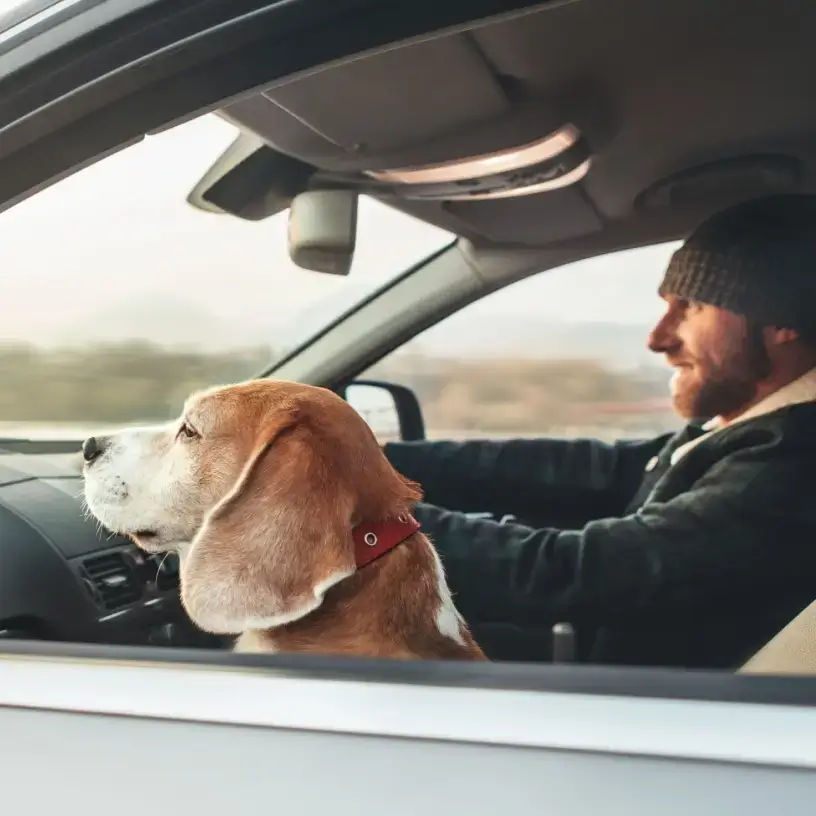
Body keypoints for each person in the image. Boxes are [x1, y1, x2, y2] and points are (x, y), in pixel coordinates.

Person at [382, 193, 816, 670]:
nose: (658, 338)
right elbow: (601, 470)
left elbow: (575, 575)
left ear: (782, 322)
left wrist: (364, 521)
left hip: (648, 718)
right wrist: (375, 458)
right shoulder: (749, 426)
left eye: (690, 307)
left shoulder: (792, 463)